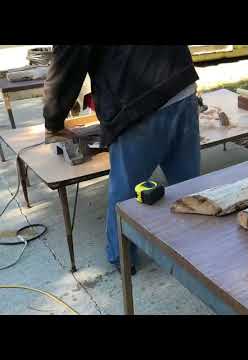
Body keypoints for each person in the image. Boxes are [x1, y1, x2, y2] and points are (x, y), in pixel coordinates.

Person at [43, 46, 201, 274]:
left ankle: (122, 258)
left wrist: (53, 121)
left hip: (137, 103)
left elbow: (66, 66)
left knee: (125, 195)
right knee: (190, 186)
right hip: (181, 84)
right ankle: (201, 250)